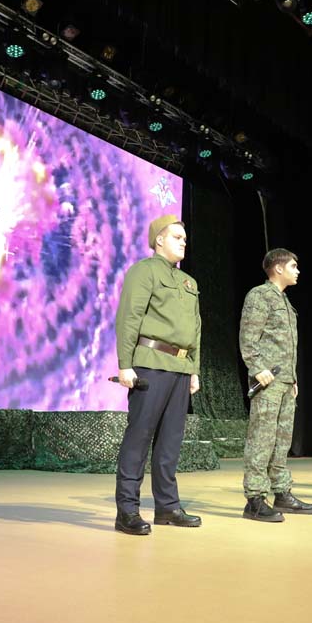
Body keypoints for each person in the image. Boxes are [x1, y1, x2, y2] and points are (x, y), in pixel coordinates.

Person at [113, 214, 202, 535]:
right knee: (139, 438)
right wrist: (125, 363)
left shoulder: (188, 282)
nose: (183, 242)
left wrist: (194, 369)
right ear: (159, 240)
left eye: (185, 238)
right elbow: (129, 317)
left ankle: (167, 507)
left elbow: (196, 329)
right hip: (150, 362)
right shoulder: (144, 271)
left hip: (180, 368)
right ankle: (127, 510)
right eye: (177, 237)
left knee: (170, 443)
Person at [239, 249, 312, 521]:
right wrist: (257, 368)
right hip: (268, 380)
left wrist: (293, 378)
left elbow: (286, 345)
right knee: (262, 438)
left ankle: (281, 492)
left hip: (284, 381)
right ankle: (255, 499)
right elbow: (248, 336)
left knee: (282, 440)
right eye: (294, 266)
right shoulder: (260, 296)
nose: (298, 271)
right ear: (278, 268)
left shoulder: (284, 301)